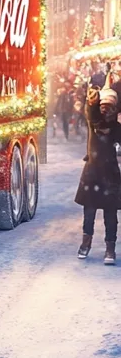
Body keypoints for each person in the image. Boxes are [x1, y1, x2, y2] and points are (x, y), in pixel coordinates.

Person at [76, 74, 121, 264]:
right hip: (93, 173)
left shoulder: (117, 127)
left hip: (109, 174)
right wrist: (91, 97)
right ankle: (86, 244)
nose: (105, 109)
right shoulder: (93, 121)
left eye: (109, 106)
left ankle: (110, 250)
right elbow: (90, 112)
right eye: (103, 105)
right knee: (89, 212)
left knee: (110, 214)